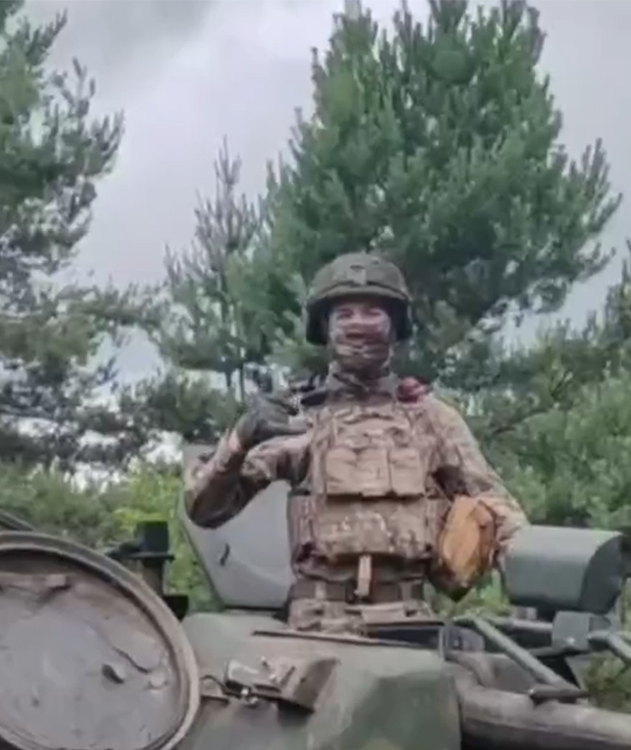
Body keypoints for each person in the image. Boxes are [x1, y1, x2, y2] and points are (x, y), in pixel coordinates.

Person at [182, 253, 528, 634]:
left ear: (394, 325)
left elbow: (500, 515)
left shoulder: (431, 419)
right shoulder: (296, 417)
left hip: (410, 625)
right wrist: (240, 439)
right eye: (344, 314)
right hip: (316, 626)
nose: (358, 325)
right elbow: (204, 509)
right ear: (325, 327)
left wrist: (538, 587)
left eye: (372, 312)